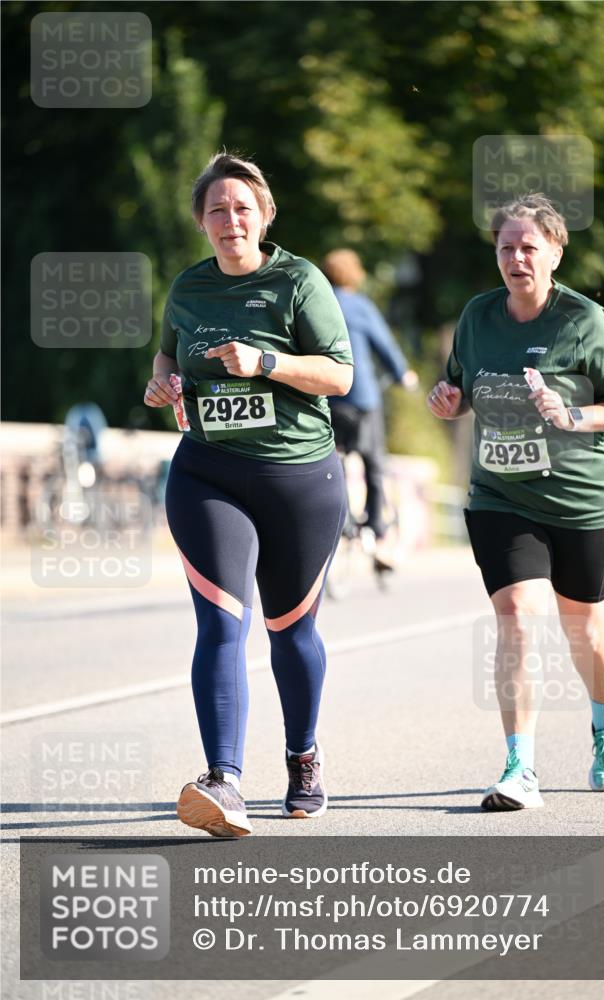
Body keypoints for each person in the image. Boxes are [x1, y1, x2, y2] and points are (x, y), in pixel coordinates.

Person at [144, 152, 353, 837]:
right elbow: (168, 354)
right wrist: (162, 382)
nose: (230, 220)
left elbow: (339, 376)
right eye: (216, 210)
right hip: (207, 473)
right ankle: (224, 781)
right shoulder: (188, 287)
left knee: (290, 631)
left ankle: (303, 757)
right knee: (220, 624)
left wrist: (267, 362)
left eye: (242, 208)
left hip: (298, 479)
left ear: (264, 215)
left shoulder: (298, 281)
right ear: (201, 222)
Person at [427, 193, 604, 811]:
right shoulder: (478, 316)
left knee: (583, 626)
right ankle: (519, 766)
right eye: (506, 247)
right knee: (518, 615)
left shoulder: (583, 321)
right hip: (502, 495)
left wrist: (572, 415)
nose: (516, 258)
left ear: (554, 253)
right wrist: (450, 402)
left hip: (581, 499)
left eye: (528, 247)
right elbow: (461, 389)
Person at [321, 249, 418, 565]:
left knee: (332, 460)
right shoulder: (360, 305)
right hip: (360, 396)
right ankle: (377, 531)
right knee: (374, 462)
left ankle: (341, 521)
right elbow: (384, 345)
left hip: (326, 396)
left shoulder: (317, 303)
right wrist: (403, 374)